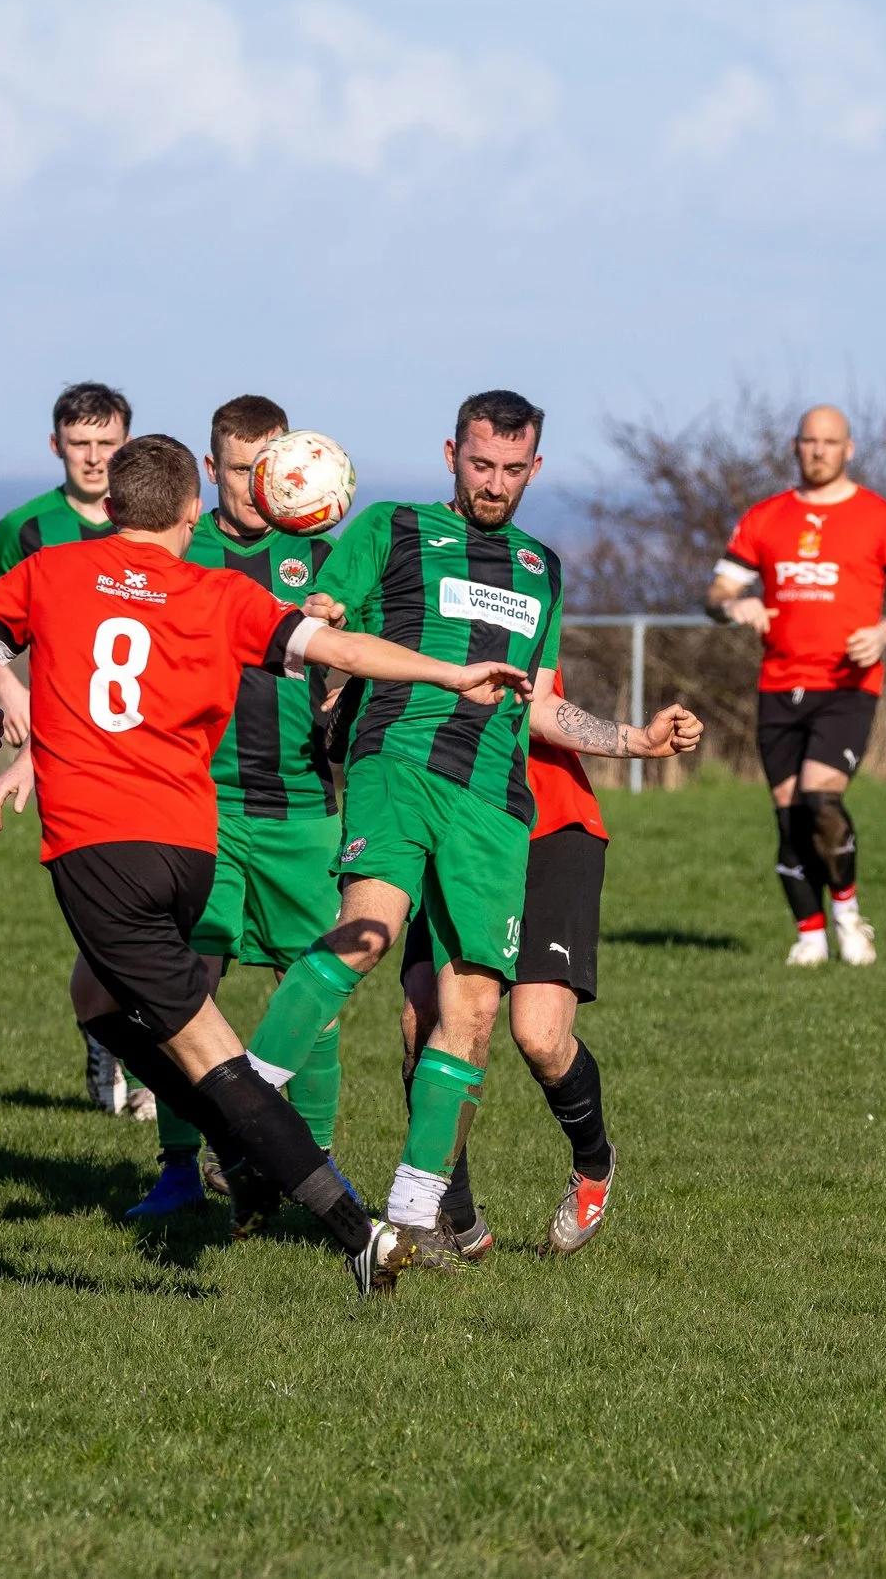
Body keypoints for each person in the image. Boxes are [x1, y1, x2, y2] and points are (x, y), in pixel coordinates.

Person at [0, 433, 528, 1295]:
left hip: (102, 850)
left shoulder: (51, 570)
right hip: (188, 845)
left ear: (112, 506)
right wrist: (449, 672)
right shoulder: (217, 591)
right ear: (192, 509)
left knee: (210, 1053)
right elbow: (344, 653)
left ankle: (350, 1227)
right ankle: (246, 1147)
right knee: (96, 997)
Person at [240, 390, 701, 1262]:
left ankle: (414, 1217)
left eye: (511, 469)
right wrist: (327, 622)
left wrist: (635, 740)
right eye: (480, 464)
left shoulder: (541, 567)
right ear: (452, 451)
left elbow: (542, 707)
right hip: (398, 761)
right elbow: (327, 620)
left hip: (495, 800)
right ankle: (246, 1103)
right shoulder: (391, 528)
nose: (493, 483)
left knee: (476, 1006)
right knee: (368, 931)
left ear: (536, 467)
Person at [108, 394, 351, 1217]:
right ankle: (180, 1169)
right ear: (213, 471)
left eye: (275, 468)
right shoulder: (179, 548)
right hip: (197, 806)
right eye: (244, 470)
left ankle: (311, 1173)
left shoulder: (321, 556)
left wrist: (343, 673)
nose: (260, 486)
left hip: (300, 809)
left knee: (310, 990)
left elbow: (362, 660)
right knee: (183, 991)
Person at [400, 665, 648, 1257]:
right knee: (423, 1017)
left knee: (539, 1036)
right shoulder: (399, 595)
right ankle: (448, 1207)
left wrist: (635, 741)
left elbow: (538, 705)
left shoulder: (520, 582)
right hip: (450, 824)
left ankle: (594, 1163)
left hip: (549, 827)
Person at [0, 383, 143, 1119]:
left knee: (160, 914)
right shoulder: (27, 528)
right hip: (68, 749)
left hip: (153, 743)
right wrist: (10, 691)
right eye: (82, 444)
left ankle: (141, 1063)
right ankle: (109, 1034)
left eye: (108, 444)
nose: (96, 458)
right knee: (109, 911)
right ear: (56, 447)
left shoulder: (156, 521)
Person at [706, 404, 886, 966]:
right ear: (795, 446)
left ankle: (848, 912)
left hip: (847, 685)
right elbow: (716, 593)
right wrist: (737, 605)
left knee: (820, 800)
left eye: (830, 442)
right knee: (788, 816)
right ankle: (809, 935)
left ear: (848, 448)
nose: (819, 450)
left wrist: (884, 632)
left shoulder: (881, 517)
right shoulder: (765, 518)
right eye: (810, 441)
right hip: (779, 685)